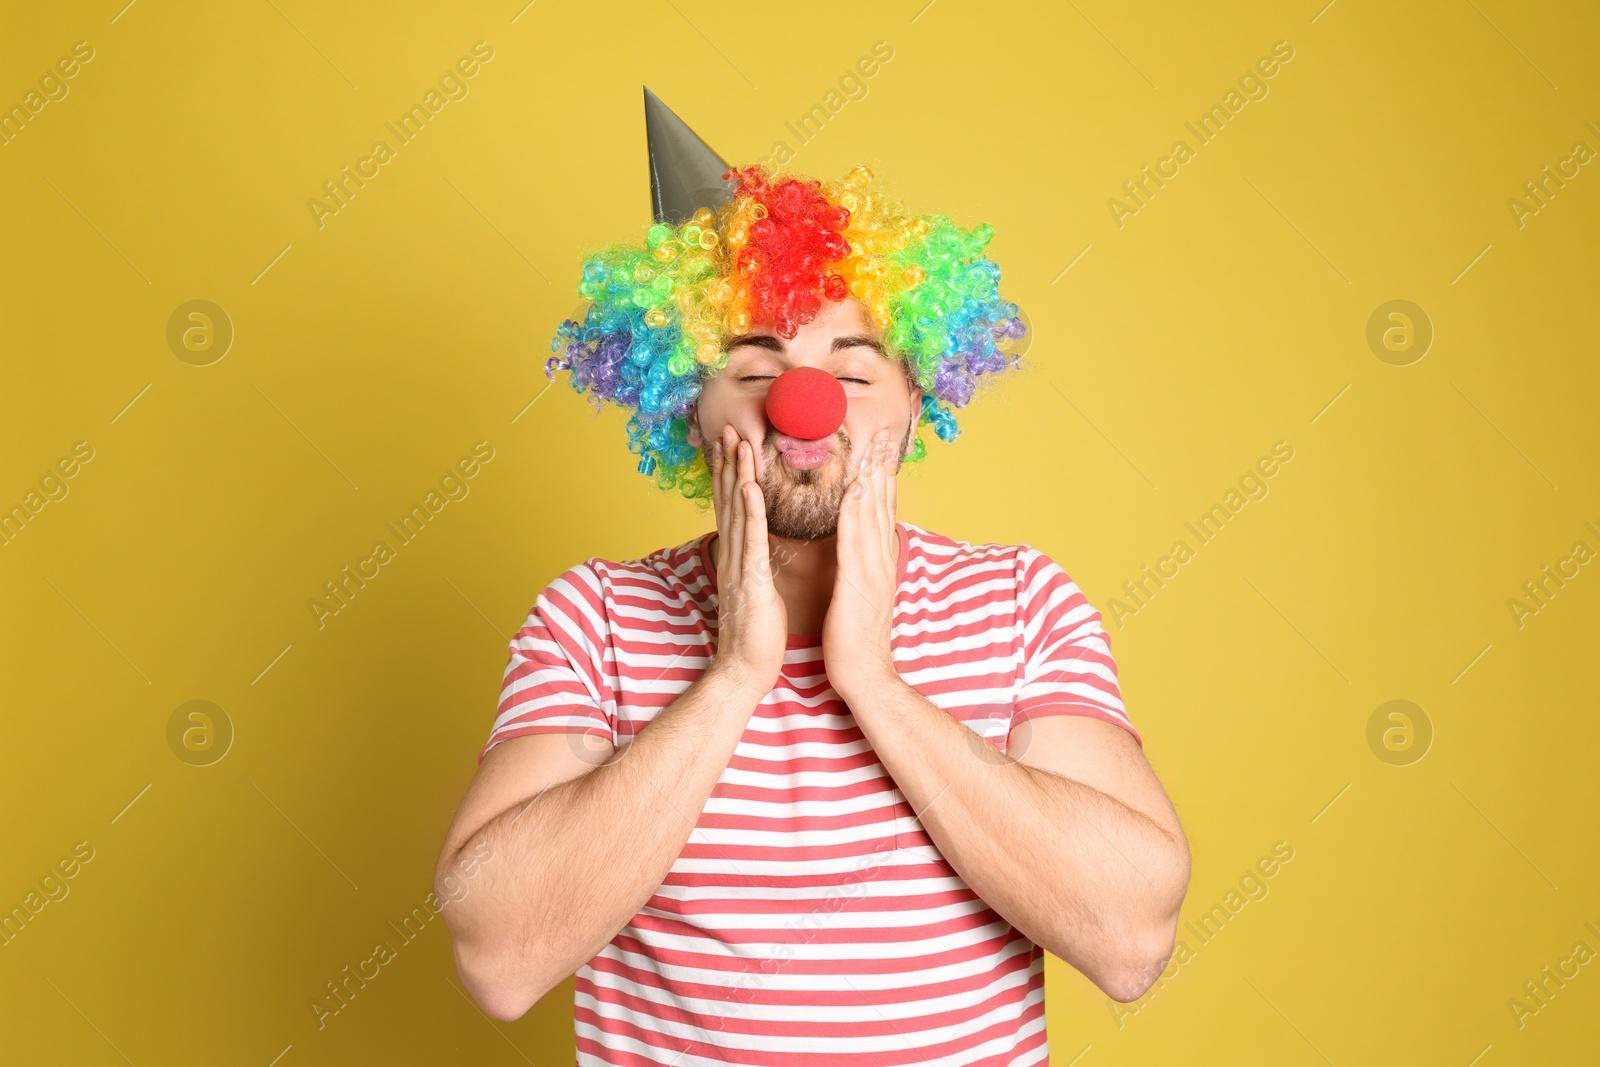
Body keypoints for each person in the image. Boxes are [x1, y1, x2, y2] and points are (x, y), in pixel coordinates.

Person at [434, 159, 1190, 1065]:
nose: (806, 407)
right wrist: (733, 678)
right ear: (688, 412)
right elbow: (498, 957)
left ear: (916, 412)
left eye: (857, 375)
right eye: (753, 370)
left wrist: (872, 680)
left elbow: (1132, 939)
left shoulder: (1021, 603)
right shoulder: (593, 618)